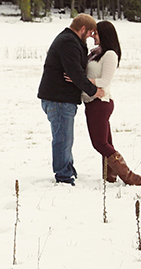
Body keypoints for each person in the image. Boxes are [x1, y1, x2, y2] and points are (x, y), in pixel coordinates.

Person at [37, 14, 103, 185]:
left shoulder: (71, 41)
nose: (89, 37)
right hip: (58, 98)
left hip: (61, 97)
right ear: (82, 29)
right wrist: (94, 91)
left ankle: (68, 170)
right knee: (62, 139)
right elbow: (75, 72)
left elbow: (76, 72)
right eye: (89, 33)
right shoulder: (68, 42)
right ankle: (64, 176)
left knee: (65, 138)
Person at [82, 20, 141, 186]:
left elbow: (105, 80)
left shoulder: (110, 54)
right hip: (92, 102)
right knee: (106, 142)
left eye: (96, 33)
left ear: (104, 34)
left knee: (100, 143)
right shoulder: (97, 52)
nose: (93, 36)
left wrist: (82, 81)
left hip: (100, 102)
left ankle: (129, 176)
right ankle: (109, 176)